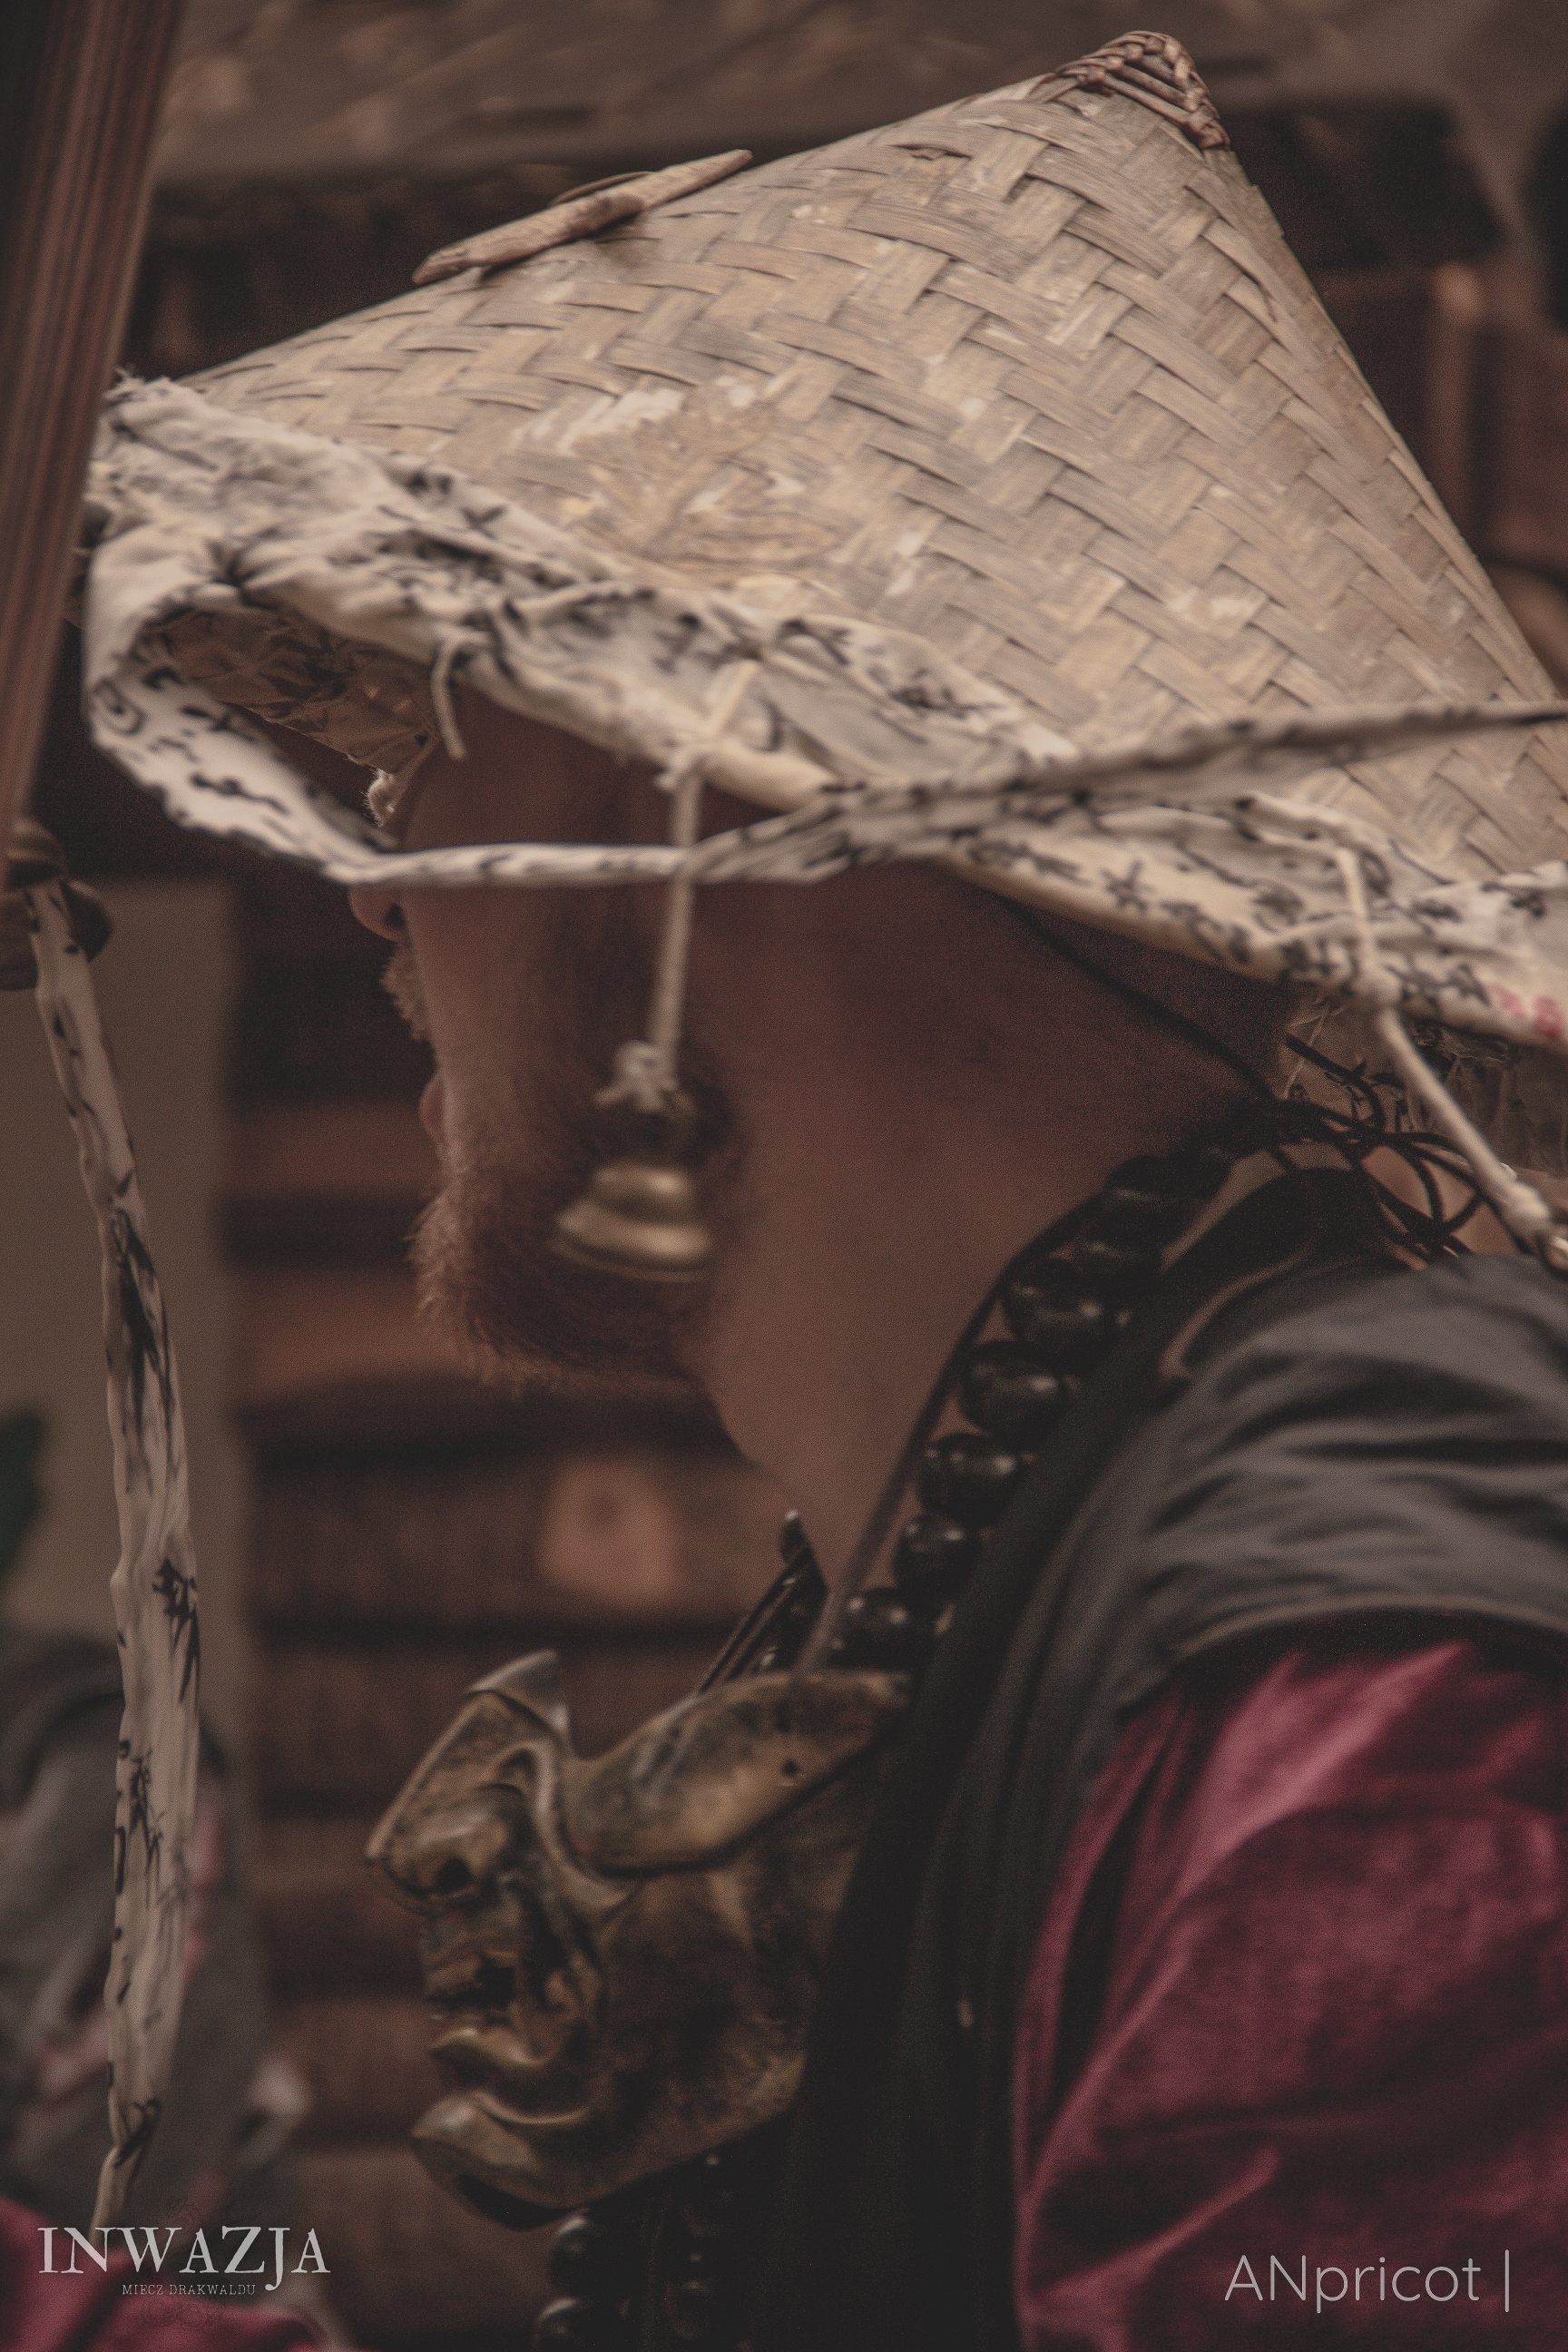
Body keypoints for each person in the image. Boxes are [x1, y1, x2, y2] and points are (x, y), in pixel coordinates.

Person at [71, 29, 1568, 2350]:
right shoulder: (1042, 1530)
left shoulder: (1363, 1669)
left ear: (700, 806)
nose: (374, 883)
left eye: (431, 726)